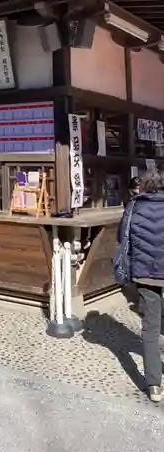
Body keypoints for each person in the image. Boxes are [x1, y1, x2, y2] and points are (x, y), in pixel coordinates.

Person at [119, 169, 164, 403]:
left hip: (145, 274)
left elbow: (121, 238)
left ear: (143, 186)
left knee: (150, 328)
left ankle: (154, 385)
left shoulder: (133, 207)